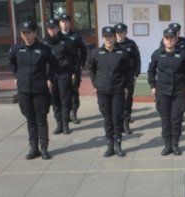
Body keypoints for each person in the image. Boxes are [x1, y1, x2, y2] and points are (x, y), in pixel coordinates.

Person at [8, 20, 57, 160]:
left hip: (40, 90)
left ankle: (44, 149)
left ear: (35, 33)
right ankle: (33, 149)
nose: (26, 35)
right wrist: (16, 75)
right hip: (24, 90)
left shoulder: (44, 49)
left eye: (29, 32)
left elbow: (54, 64)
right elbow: (10, 61)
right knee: (30, 120)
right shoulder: (16, 49)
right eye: (23, 33)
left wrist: (49, 78)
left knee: (41, 120)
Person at [87, 26, 133, 157]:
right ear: (103, 38)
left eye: (110, 36)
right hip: (103, 91)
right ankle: (110, 146)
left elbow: (129, 71)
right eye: (106, 36)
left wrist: (125, 86)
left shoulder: (122, 53)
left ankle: (118, 144)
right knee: (107, 119)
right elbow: (91, 69)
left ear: (114, 37)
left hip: (118, 90)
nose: (108, 39)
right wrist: (95, 84)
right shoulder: (96, 53)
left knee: (117, 118)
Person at [148, 28, 185, 156]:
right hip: (162, 91)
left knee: (176, 119)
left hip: (179, 91)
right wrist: (152, 85)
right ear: (163, 39)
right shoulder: (157, 54)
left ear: (176, 39)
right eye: (167, 38)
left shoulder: (183, 54)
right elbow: (151, 71)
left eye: (172, 38)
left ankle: (175, 145)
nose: (169, 41)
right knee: (165, 120)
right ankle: (167, 145)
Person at [43, 18, 78, 135]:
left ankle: (66, 125)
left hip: (64, 74)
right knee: (54, 101)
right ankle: (59, 125)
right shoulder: (44, 43)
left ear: (58, 28)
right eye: (49, 28)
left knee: (64, 101)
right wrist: (46, 78)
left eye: (54, 28)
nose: (52, 30)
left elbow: (74, 58)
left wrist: (74, 72)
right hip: (51, 77)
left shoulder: (66, 41)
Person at [59, 13, 87, 125]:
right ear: (59, 23)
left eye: (66, 21)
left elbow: (83, 50)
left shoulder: (76, 36)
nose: (64, 23)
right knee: (62, 93)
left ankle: (74, 114)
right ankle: (64, 115)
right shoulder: (56, 36)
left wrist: (81, 63)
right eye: (62, 21)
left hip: (74, 68)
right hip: (60, 70)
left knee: (74, 91)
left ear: (70, 23)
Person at [115, 23, 141, 135]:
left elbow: (137, 60)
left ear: (126, 32)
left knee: (127, 101)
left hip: (128, 78)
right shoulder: (112, 44)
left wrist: (135, 74)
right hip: (115, 78)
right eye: (118, 32)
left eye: (122, 32)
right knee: (117, 101)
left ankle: (126, 123)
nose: (120, 34)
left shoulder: (131, 44)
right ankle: (118, 123)